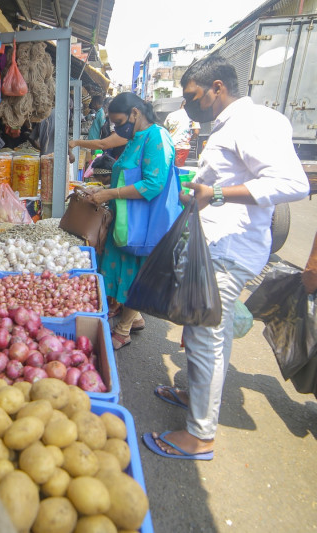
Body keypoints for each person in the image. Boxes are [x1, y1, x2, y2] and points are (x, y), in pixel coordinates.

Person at [145, 56, 309, 460]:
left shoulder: (255, 122)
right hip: (214, 247)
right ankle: (194, 395)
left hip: (229, 253)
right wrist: (202, 191)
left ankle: (200, 437)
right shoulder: (226, 126)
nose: (188, 106)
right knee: (208, 337)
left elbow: (293, 183)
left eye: (192, 96)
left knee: (205, 339)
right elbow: (229, 179)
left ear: (217, 87)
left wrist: (216, 194)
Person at [85, 92, 176, 350]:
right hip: (125, 220)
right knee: (124, 270)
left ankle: (123, 330)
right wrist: (101, 192)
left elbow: (153, 183)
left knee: (136, 276)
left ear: (136, 113)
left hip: (141, 225)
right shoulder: (136, 137)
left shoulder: (156, 137)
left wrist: (110, 194)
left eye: (120, 121)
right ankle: (133, 318)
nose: (117, 128)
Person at [164, 100, 200, 166]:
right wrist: (190, 139)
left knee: (169, 168)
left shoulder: (171, 115)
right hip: (182, 146)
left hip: (170, 146)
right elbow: (196, 132)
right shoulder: (192, 116)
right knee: (178, 169)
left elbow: (165, 128)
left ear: (181, 105)